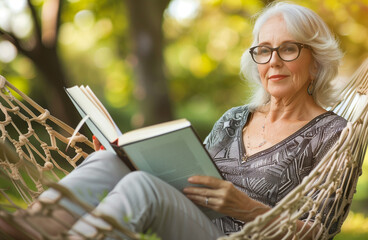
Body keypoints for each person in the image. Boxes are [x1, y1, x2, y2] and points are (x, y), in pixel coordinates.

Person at [0, 1, 347, 239]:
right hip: (198, 225)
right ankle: (27, 228)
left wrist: (246, 208)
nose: (274, 61)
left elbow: (320, 231)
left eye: (289, 49)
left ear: (315, 61)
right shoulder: (235, 119)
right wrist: (130, 158)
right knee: (109, 159)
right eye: (264, 50)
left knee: (141, 188)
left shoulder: (333, 133)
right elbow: (191, 179)